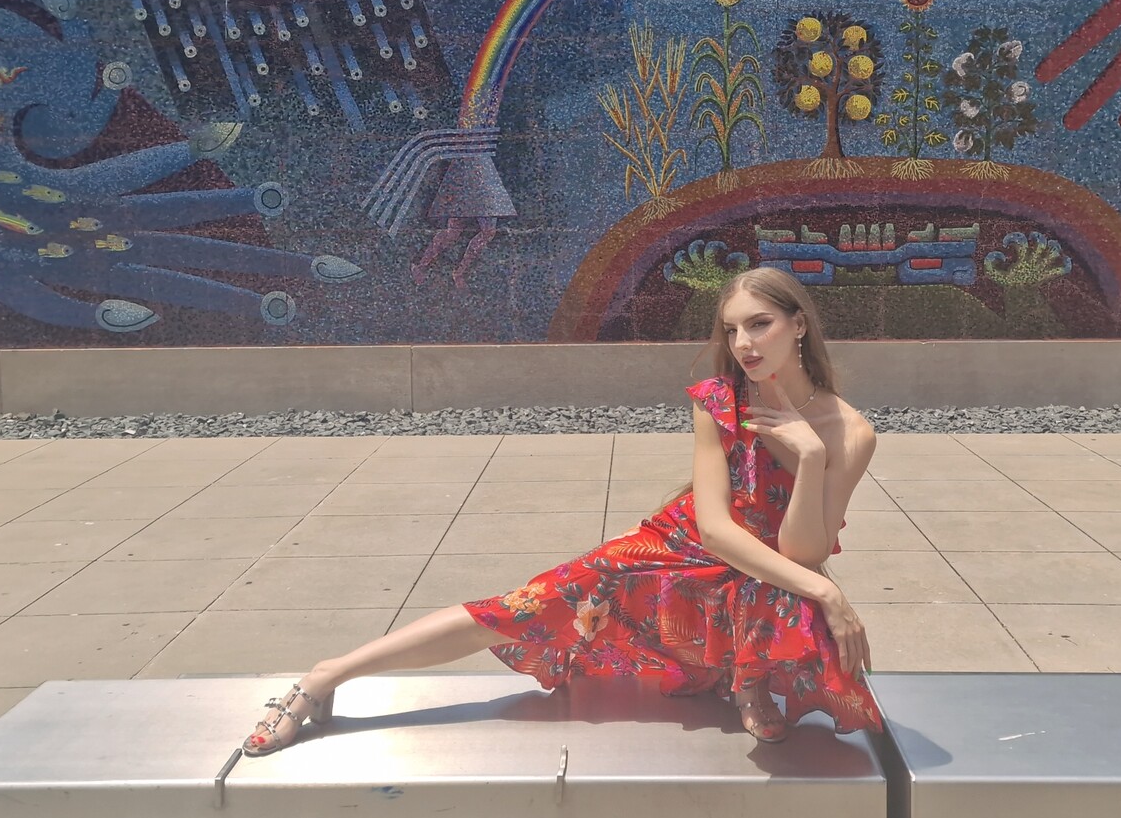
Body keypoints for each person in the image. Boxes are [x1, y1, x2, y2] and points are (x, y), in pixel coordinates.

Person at [241, 266, 881, 754]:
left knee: (791, 591)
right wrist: (829, 592)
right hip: (682, 547)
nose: (743, 343)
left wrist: (810, 457)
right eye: (732, 329)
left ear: (799, 325)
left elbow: (802, 553)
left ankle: (746, 677)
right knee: (517, 608)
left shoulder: (851, 433)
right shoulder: (719, 400)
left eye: (760, 324)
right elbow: (714, 529)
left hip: (770, 572)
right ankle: (327, 676)